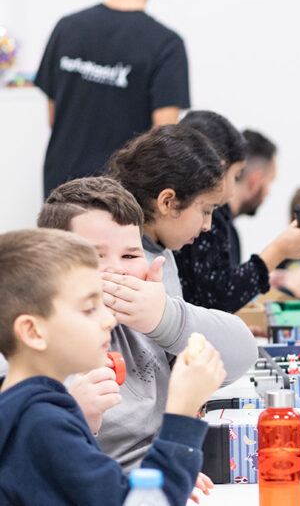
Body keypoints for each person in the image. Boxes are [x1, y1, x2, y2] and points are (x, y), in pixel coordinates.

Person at [37, 176, 256, 476]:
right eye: (93, 256)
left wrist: (164, 317)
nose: (117, 269)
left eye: (130, 255)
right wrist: (71, 417)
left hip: (168, 474)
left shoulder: (145, 320)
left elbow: (242, 354)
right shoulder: (34, 343)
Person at [0, 228, 225, 506]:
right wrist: (182, 413)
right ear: (33, 332)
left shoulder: (27, 408)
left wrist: (160, 477)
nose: (108, 319)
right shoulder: (42, 424)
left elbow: (100, 492)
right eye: (88, 308)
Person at [35, 0, 190, 197]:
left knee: (56, 230)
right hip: (118, 193)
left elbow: (52, 117)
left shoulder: (67, 27)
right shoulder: (166, 44)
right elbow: (163, 136)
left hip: (61, 183)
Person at [174, 112, 300, 312]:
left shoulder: (220, 224)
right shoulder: (212, 224)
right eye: (236, 175)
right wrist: (279, 252)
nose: (229, 190)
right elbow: (217, 298)